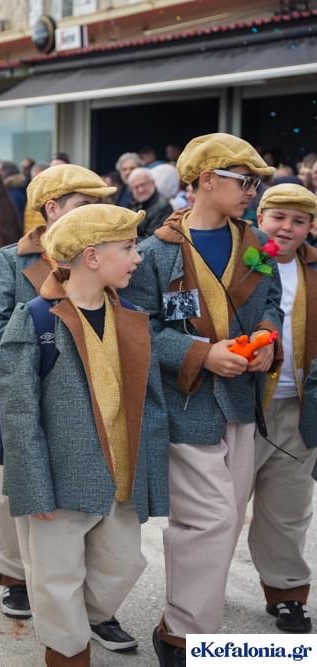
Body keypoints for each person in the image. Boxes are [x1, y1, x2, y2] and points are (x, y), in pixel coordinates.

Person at [120, 133, 281, 666]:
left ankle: (184, 622)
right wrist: (201, 353)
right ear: (206, 180)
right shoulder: (152, 252)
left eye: (257, 182)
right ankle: (185, 636)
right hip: (185, 404)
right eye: (246, 181)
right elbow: (138, 329)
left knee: (227, 518)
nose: (253, 192)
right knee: (210, 520)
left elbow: (272, 303)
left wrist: (267, 338)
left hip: (241, 400)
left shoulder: (258, 243)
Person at [0, 204, 169, 666]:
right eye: (128, 248)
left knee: (124, 564)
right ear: (92, 257)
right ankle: (68, 650)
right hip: (58, 480)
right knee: (55, 578)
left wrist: (151, 472)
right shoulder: (35, 318)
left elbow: (149, 401)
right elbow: (18, 412)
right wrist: (32, 486)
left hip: (119, 476)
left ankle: (82, 620)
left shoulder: (131, 315)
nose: (138, 257)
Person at [0, 164, 115, 625]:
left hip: (91, 395)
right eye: (84, 205)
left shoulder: (108, 256)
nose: (96, 214)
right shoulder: (8, 261)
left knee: (87, 497)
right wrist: (38, 341)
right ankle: (15, 576)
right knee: (14, 488)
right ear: (52, 209)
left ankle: (88, 600)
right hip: (24, 389)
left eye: (101, 206)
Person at [251, 184, 317, 633]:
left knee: (289, 507)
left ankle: (287, 592)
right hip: (244, 407)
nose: (287, 227)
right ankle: (198, 596)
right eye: (278, 217)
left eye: (299, 220)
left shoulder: (314, 269)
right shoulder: (244, 263)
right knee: (220, 510)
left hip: (298, 407)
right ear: (260, 218)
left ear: (310, 227)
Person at [126, 167, 173, 240]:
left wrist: (125, 237)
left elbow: (151, 241)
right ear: (131, 189)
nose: (141, 190)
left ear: (153, 183)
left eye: (144, 184)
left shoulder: (162, 207)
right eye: (136, 187)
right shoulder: (134, 203)